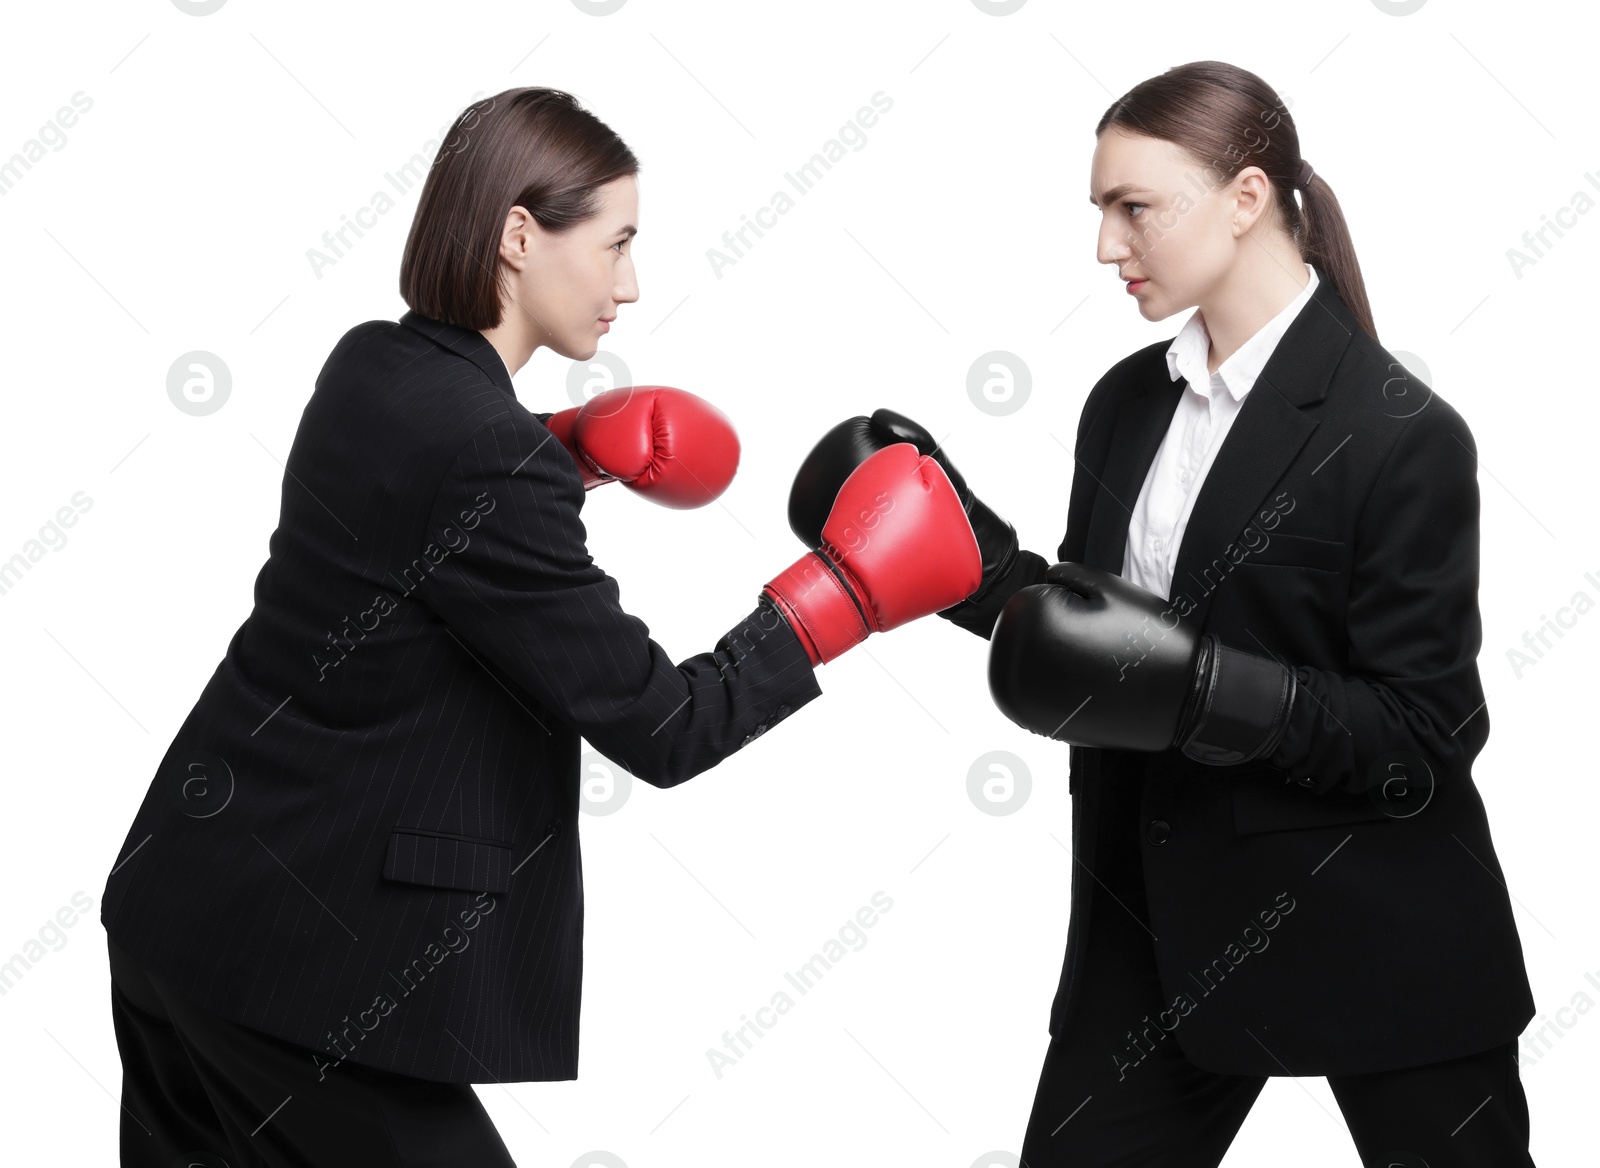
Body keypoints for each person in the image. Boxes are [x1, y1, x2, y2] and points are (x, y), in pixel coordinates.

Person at [98, 87, 982, 1167]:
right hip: (303, 979)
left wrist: (570, 443)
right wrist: (838, 595)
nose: (630, 284)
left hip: (181, 904)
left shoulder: (370, 362)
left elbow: (424, 511)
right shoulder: (490, 458)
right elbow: (662, 727)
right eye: (614, 243)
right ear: (519, 233)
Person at [790, 60, 1537, 1168]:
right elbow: (1098, 645)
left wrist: (1208, 690)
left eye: (1131, 206)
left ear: (1243, 199)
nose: (1105, 243)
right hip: (1156, 931)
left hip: (1377, 931)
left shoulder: (1401, 432)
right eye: (1100, 208)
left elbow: (1424, 739)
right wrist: (961, 550)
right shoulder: (1128, 401)